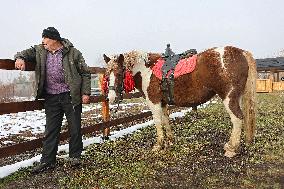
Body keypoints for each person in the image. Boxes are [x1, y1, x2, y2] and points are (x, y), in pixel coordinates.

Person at [14, 27, 91, 173]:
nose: (42, 41)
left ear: (54, 39)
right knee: (51, 130)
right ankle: (48, 161)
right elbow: (22, 53)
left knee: (75, 128)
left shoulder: (73, 52)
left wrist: (86, 92)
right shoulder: (40, 50)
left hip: (70, 95)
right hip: (51, 97)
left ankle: (75, 156)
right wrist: (19, 58)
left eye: (45, 38)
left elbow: (85, 73)